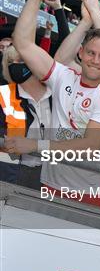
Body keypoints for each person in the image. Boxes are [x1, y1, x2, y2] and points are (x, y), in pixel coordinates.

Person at [10, 0, 100, 207]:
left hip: (89, 193)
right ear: (81, 52)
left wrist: (35, 146)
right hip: (50, 183)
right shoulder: (64, 76)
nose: (95, 60)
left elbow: (90, 146)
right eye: (91, 53)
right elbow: (23, 43)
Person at [0, 46, 52, 189]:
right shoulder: (4, 94)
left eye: (21, 60)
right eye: (11, 62)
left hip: (48, 175)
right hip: (10, 173)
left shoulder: (56, 95)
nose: (16, 65)